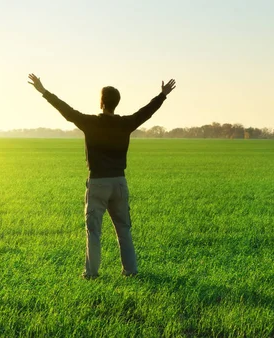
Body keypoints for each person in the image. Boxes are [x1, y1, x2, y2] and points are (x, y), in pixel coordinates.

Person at [28, 73, 176, 279]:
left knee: (94, 232)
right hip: (119, 182)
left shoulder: (89, 123)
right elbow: (146, 112)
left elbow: (66, 110)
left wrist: (43, 91)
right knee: (124, 230)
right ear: (117, 104)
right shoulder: (126, 123)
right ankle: (131, 272)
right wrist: (162, 95)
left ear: (101, 103)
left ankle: (91, 274)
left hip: (98, 183)